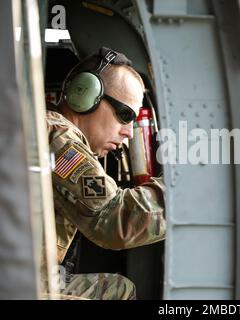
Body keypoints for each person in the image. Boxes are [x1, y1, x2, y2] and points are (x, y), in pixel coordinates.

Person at [45, 47, 165, 300]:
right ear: (85, 95)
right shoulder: (57, 136)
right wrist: (193, 190)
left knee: (118, 290)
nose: (129, 133)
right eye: (124, 115)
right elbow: (113, 218)